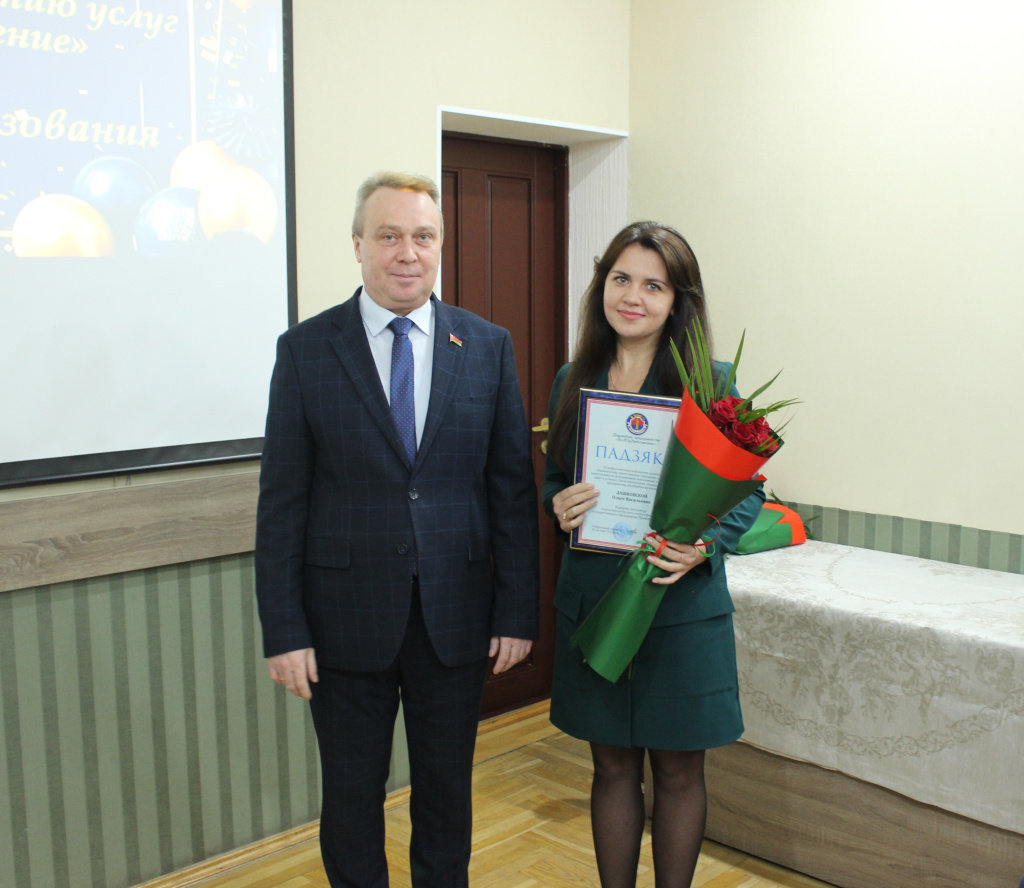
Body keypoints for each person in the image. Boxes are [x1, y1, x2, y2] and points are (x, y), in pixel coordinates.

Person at [255, 171, 540, 888]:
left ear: (440, 245)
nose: (407, 252)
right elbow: (282, 503)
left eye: (423, 236)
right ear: (358, 245)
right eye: (388, 236)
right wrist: (284, 630)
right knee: (352, 797)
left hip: (456, 617)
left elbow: (510, 491)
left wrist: (516, 612)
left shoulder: (487, 346)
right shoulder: (306, 350)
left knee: (446, 793)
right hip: (343, 621)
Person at [542, 221, 764, 888]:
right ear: (602, 286)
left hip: (679, 607)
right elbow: (554, 479)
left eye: (653, 285)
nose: (632, 297)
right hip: (596, 605)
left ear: (677, 301)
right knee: (610, 767)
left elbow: (749, 492)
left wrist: (704, 547)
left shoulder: (711, 383)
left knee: (678, 771)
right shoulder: (573, 378)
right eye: (620, 279)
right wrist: (559, 505)